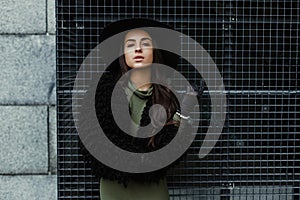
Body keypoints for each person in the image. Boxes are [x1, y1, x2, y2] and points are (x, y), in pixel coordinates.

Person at [80, 20, 203, 200]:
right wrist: (140, 163)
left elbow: (174, 149)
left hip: (153, 189)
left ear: (154, 51)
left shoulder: (168, 98)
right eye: (131, 45)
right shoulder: (103, 92)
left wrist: (183, 112)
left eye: (145, 44)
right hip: (116, 187)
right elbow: (92, 142)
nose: (138, 49)